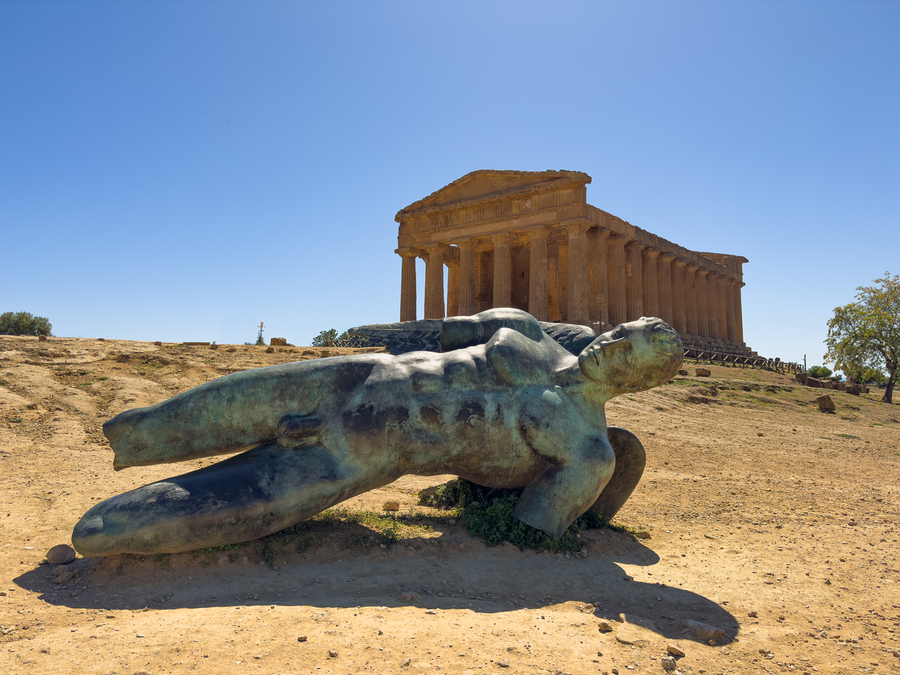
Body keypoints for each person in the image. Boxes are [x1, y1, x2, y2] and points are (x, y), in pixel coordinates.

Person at [73, 309, 682, 557]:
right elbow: (425, 333)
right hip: (353, 379)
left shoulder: (588, 449)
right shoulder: (524, 329)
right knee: (149, 427)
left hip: (367, 452)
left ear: (642, 384)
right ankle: (131, 442)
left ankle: (104, 535)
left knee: (114, 529)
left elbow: (533, 524)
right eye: (623, 333)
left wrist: (507, 498)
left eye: (634, 356)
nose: (616, 347)